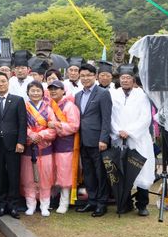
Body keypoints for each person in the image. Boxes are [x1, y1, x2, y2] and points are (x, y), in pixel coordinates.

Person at [110, 64, 155, 216]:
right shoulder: (113, 94)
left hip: (138, 139)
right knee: (122, 171)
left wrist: (129, 132)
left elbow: (145, 118)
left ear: (133, 80)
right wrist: (118, 131)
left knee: (141, 170)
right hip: (119, 138)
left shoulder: (141, 95)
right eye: (122, 78)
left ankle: (142, 204)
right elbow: (110, 117)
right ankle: (125, 202)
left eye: (128, 78)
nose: (125, 81)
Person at [0, 71, 26, 218]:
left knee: (14, 175)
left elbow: (22, 123)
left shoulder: (18, 100)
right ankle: (1, 204)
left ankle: (13, 205)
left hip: (13, 144)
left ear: (8, 83)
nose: (0, 84)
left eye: (3, 81)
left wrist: (21, 141)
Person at [75, 63, 112, 217]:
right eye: (82, 76)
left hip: (98, 140)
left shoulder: (102, 93)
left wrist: (103, 138)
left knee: (100, 173)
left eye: (88, 75)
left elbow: (106, 118)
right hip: (82, 140)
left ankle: (102, 203)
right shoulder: (78, 95)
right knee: (88, 173)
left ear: (95, 76)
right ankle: (92, 200)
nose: (85, 78)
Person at [20, 81, 56, 217]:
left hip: (44, 147)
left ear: (42, 92)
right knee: (28, 177)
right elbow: (20, 125)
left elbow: (52, 129)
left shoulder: (48, 109)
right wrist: (30, 134)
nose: (35, 93)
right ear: (28, 93)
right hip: (29, 147)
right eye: (32, 91)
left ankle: (45, 205)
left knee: (45, 178)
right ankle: (30, 205)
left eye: (38, 90)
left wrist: (40, 135)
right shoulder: (23, 107)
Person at [47, 80, 80, 214]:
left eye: (56, 89)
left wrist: (57, 125)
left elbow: (74, 126)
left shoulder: (69, 106)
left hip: (65, 145)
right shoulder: (48, 105)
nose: (53, 91)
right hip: (50, 143)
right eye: (51, 89)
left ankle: (64, 202)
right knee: (52, 173)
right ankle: (52, 200)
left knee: (64, 174)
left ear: (63, 90)